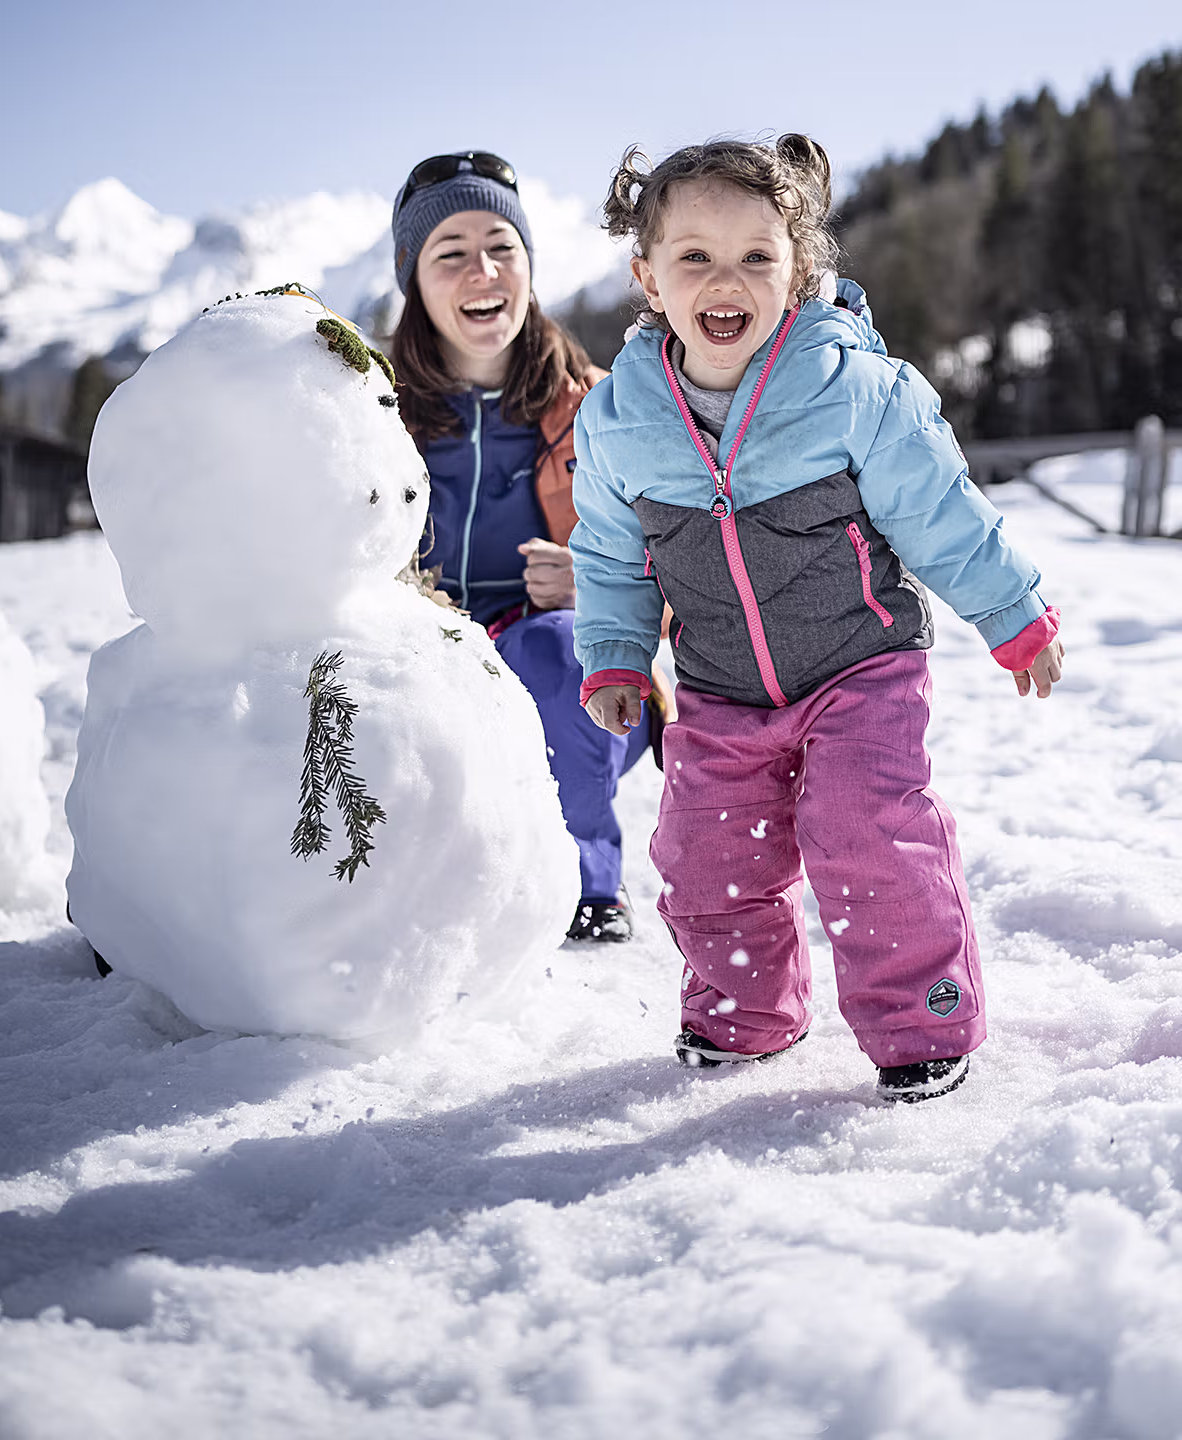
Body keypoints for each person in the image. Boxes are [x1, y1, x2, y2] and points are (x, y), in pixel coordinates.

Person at [569, 135, 1064, 1099]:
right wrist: (619, 653)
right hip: (719, 685)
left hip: (860, 666)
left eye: (757, 255)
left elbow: (941, 511)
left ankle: (921, 1022)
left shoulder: (852, 389)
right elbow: (610, 554)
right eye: (695, 255)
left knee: (864, 830)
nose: (727, 280)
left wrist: (1013, 613)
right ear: (648, 276)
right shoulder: (620, 419)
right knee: (705, 853)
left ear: (797, 270)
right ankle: (745, 1009)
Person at [390, 150, 652, 942]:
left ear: (529, 265)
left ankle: (583, 881)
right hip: (408, 667)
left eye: (501, 247)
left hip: (574, 686)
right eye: (451, 253)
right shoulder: (371, 412)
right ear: (413, 278)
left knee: (559, 650)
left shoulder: (601, 407)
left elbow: (690, 564)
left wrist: (601, 583)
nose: (484, 271)